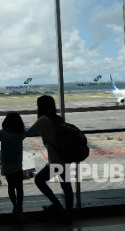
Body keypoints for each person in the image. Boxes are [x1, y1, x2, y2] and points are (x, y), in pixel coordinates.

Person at [26, 95, 73, 224]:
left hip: (55, 161)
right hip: (65, 159)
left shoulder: (43, 120)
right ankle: (68, 215)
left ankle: (57, 206)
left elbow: (28, 132)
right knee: (66, 187)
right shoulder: (58, 119)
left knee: (39, 180)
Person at [0, 112, 27, 222]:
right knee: (19, 187)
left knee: (11, 187)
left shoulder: (2, 134)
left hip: (6, 164)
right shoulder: (21, 134)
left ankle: (15, 206)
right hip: (17, 164)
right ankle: (20, 208)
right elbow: (28, 131)